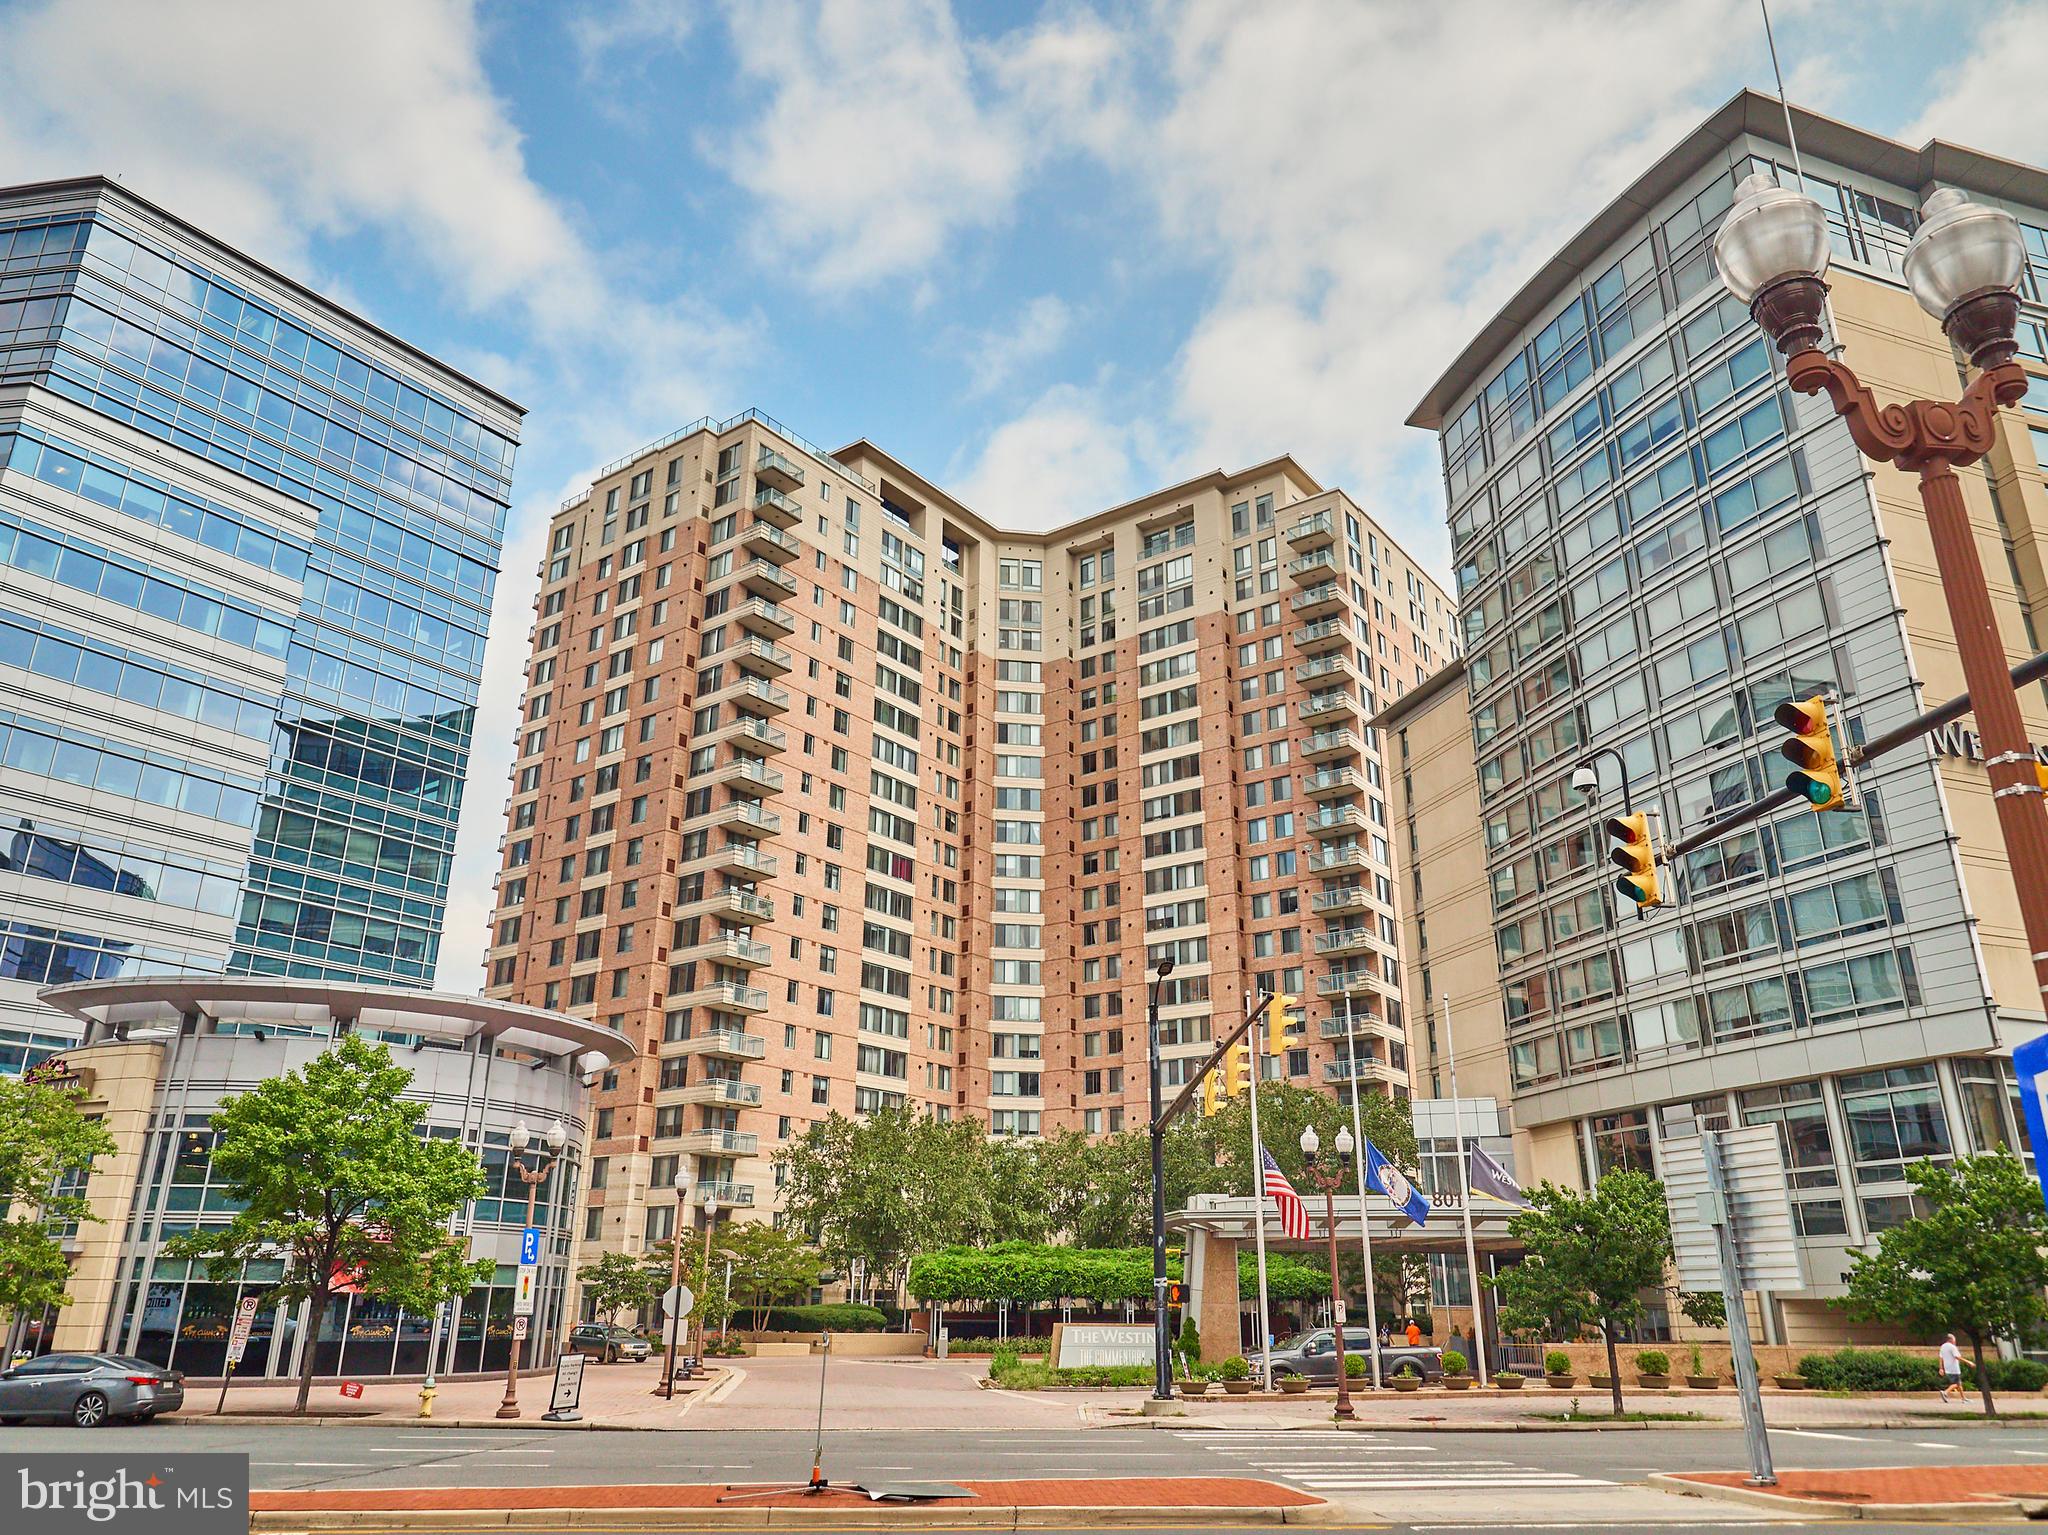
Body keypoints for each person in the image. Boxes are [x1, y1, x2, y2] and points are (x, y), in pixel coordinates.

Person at [1939, 1334, 1965, 1401]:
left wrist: (1941, 1368)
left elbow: (1940, 1358)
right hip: (1954, 1368)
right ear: (1951, 1340)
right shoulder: (1952, 1347)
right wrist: (1968, 1362)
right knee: (1957, 1383)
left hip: (1947, 1368)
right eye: (1954, 1339)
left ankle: (1963, 1398)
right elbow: (1957, 1357)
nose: (1955, 1341)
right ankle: (1945, 1392)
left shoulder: (1943, 1346)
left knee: (1959, 1384)